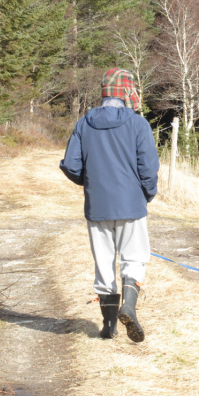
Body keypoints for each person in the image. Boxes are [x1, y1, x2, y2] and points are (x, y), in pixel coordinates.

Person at [59, 68, 160, 342]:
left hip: (98, 205)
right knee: (134, 258)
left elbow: (70, 165)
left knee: (103, 263)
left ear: (104, 92)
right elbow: (149, 169)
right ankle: (129, 307)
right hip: (131, 204)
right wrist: (146, 194)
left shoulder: (84, 123)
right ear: (128, 93)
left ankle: (108, 327)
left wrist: (91, 183)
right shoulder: (138, 124)